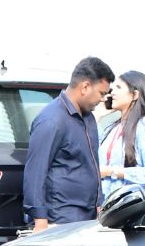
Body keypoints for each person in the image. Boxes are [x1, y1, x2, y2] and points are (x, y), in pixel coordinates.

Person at [23, 57, 114, 232]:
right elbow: (35, 173)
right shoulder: (52, 120)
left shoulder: (88, 118)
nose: (103, 99)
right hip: (59, 220)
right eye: (101, 93)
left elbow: (90, 165)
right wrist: (40, 222)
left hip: (87, 218)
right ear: (85, 87)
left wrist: (98, 204)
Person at [99, 70, 145, 197]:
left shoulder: (141, 127)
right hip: (107, 204)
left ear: (135, 95)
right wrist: (98, 116)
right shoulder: (111, 128)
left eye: (118, 87)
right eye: (113, 88)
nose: (112, 92)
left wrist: (113, 172)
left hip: (131, 205)